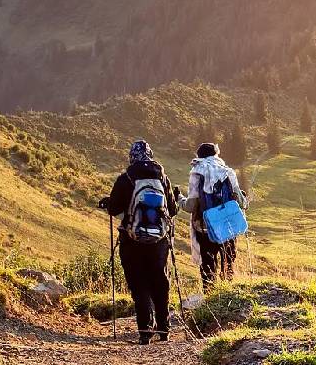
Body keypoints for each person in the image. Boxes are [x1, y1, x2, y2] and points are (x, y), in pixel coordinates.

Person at [106, 140, 177, 345]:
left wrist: (108, 203)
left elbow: (114, 209)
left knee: (138, 283)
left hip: (132, 240)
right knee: (160, 282)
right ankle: (164, 329)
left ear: (132, 157)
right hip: (159, 241)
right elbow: (171, 210)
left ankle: (145, 330)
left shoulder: (126, 178)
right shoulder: (162, 178)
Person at [175, 143, 248, 292]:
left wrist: (179, 198)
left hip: (205, 228)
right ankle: (228, 295)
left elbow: (190, 206)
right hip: (228, 226)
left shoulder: (196, 172)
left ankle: (210, 297)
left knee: (208, 266)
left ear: (199, 156)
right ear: (216, 155)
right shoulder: (228, 172)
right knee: (228, 263)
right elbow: (241, 203)